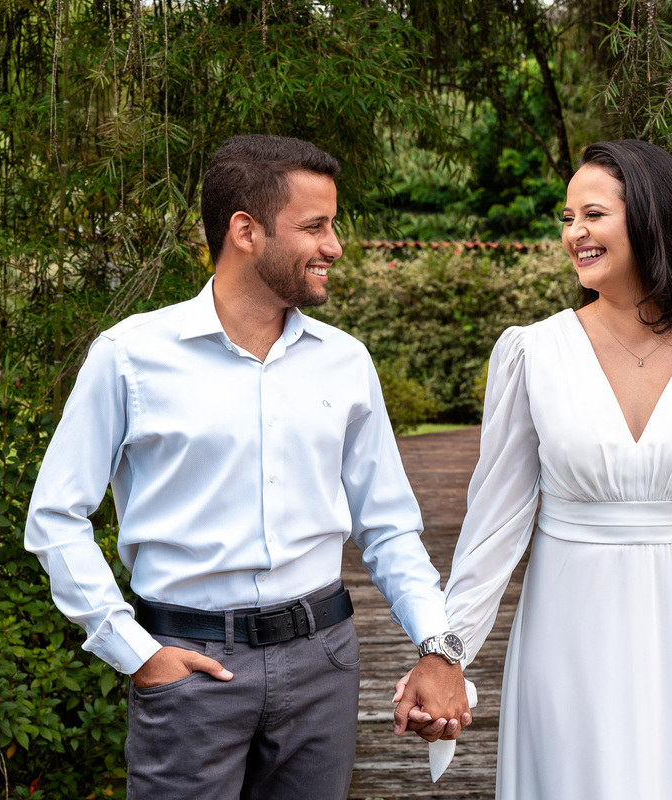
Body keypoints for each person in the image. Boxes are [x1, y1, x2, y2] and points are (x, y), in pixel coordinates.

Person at [24, 134, 469, 800]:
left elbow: (388, 528)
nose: (335, 246)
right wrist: (134, 651)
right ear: (246, 231)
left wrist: (440, 643)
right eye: (315, 226)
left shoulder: (345, 363)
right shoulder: (130, 357)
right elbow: (55, 516)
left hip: (323, 663)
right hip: (190, 668)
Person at [396, 139, 672, 799]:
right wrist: (448, 651)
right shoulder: (532, 354)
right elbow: (496, 521)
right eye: (567, 218)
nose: (574, 233)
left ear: (651, 217)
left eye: (592, 214)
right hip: (570, 638)